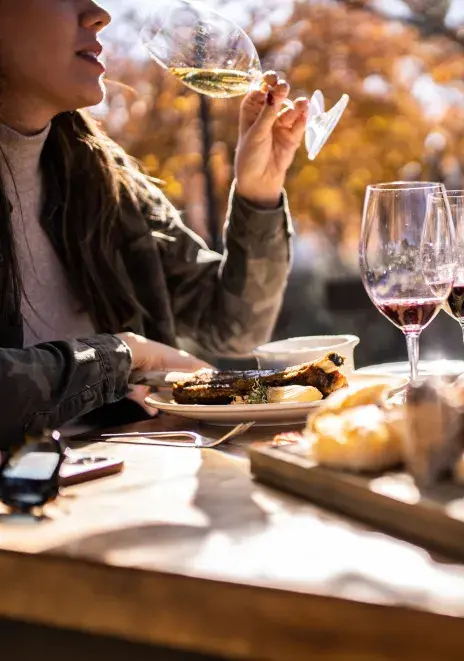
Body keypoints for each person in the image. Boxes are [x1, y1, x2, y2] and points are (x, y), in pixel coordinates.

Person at [0, 0, 309, 446]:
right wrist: (122, 357)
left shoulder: (106, 183)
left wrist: (258, 193)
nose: (98, 13)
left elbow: (234, 325)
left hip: (130, 484)